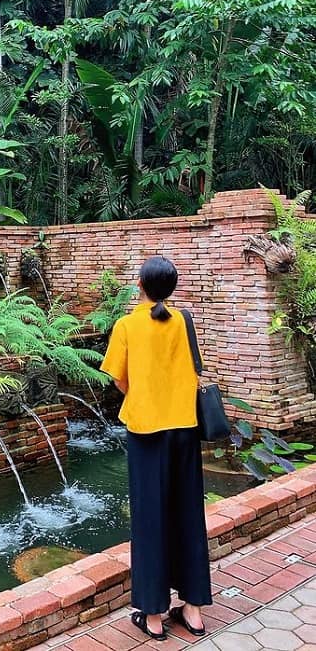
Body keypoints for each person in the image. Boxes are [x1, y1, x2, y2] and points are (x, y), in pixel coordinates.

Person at [100, 255, 212, 642]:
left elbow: (118, 379)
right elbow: (195, 369)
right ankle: (193, 611)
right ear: (172, 286)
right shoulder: (184, 320)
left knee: (150, 519)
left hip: (147, 430)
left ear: (140, 286)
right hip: (183, 427)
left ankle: (152, 615)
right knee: (188, 514)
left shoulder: (127, 324)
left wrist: (145, 396)